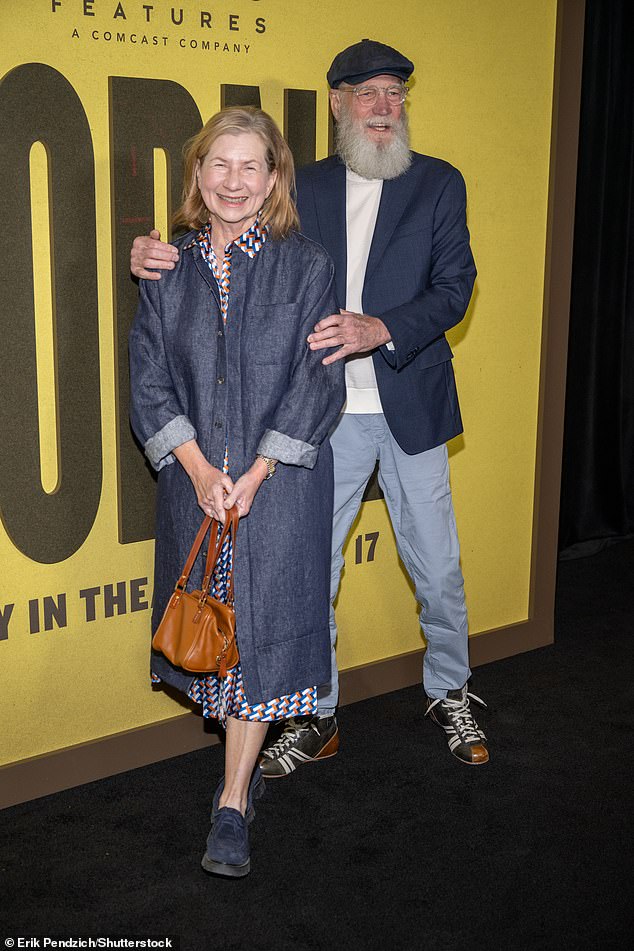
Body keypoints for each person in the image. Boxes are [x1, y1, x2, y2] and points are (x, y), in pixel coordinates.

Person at [130, 39, 490, 773]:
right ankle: (315, 711)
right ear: (338, 105)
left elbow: (456, 288)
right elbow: (233, 247)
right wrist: (151, 255)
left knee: (437, 565)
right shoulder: (297, 187)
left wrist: (378, 327)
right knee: (306, 574)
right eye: (367, 94)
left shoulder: (439, 183)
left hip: (409, 400)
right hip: (318, 419)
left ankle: (450, 688)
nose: (382, 107)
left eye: (394, 93)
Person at [128, 106, 345, 878]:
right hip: (195, 486)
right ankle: (237, 773)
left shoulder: (308, 266)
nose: (233, 181)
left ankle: (231, 800)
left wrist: (252, 475)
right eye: (219, 164)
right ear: (198, 173)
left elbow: (318, 383)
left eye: (251, 165)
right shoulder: (168, 266)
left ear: (274, 177)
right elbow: (149, 380)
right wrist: (195, 468)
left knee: (255, 643)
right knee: (215, 640)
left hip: (276, 491)